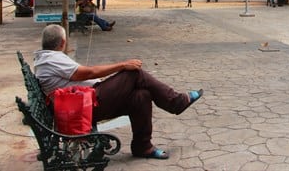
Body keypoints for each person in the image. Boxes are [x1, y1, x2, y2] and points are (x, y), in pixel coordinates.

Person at [33, 24, 203, 160]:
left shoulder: (47, 58)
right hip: (85, 106)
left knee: (141, 96)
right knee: (133, 73)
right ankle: (176, 101)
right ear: (63, 43)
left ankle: (143, 147)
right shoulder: (52, 59)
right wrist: (122, 65)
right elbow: (89, 72)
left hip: (83, 103)